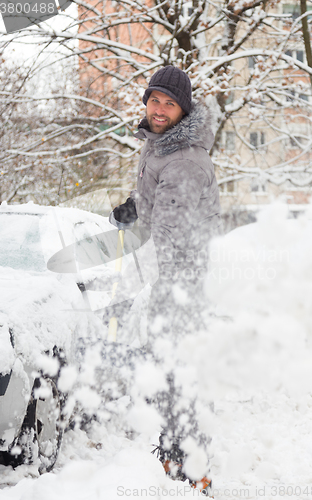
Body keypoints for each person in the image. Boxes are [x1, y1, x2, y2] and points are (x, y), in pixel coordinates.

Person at [111, 65, 222, 491]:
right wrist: (134, 206)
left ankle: (190, 472)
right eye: (154, 100)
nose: (158, 109)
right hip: (175, 281)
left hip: (182, 284)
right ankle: (178, 462)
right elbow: (157, 198)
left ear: (183, 109)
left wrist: (166, 298)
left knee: (177, 377)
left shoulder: (184, 159)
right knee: (171, 376)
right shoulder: (162, 147)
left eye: (168, 103)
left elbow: (174, 234)